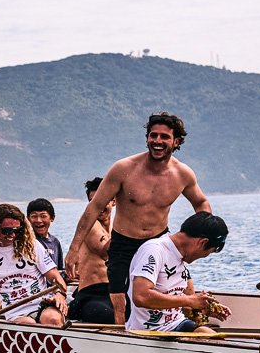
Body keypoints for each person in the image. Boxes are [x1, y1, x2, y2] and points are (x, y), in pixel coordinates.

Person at [65, 113, 212, 323]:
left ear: (176, 142)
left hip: (159, 242)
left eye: (164, 137)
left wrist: (204, 235)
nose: (157, 141)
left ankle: (190, 328)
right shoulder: (124, 169)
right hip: (123, 244)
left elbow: (201, 203)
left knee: (183, 290)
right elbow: (94, 207)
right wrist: (73, 250)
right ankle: (124, 338)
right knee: (120, 306)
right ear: (147, 138)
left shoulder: (183, 174)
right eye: (153, 135)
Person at [0, 204, 67, 327]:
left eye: (17, 230)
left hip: (43, 305)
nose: (13, 235)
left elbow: (56, 278)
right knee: (28, 325)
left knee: (51, 319)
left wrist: (60, 295)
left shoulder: (32, 245)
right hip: (15, 313)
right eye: (7, 231)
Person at [126, 212, 229, 334]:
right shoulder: (154, 250)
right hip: (146, 330)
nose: (202, 257)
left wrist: (203, 309)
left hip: (176, 323)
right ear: (202, 242)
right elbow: (141, 297)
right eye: (208, 253)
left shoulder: (182, 258)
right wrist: (190, 300)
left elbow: (185, 307)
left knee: (211, 336)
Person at [68, 178, 117, 325]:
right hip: (91, 294)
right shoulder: (89, 225)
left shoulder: (115, 225)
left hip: (114, 291)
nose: (98, 206)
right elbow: (106, 253)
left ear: (114, 201)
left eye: (103, 201)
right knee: (110, 316)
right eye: (93, 202)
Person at [27, 199, 65, 277]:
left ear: (52, 218)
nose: (38, 220)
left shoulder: (55, 242)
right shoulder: (27, 241)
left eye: (43, 216)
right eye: (34, 216)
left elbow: (60, 268)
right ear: (28, 219)